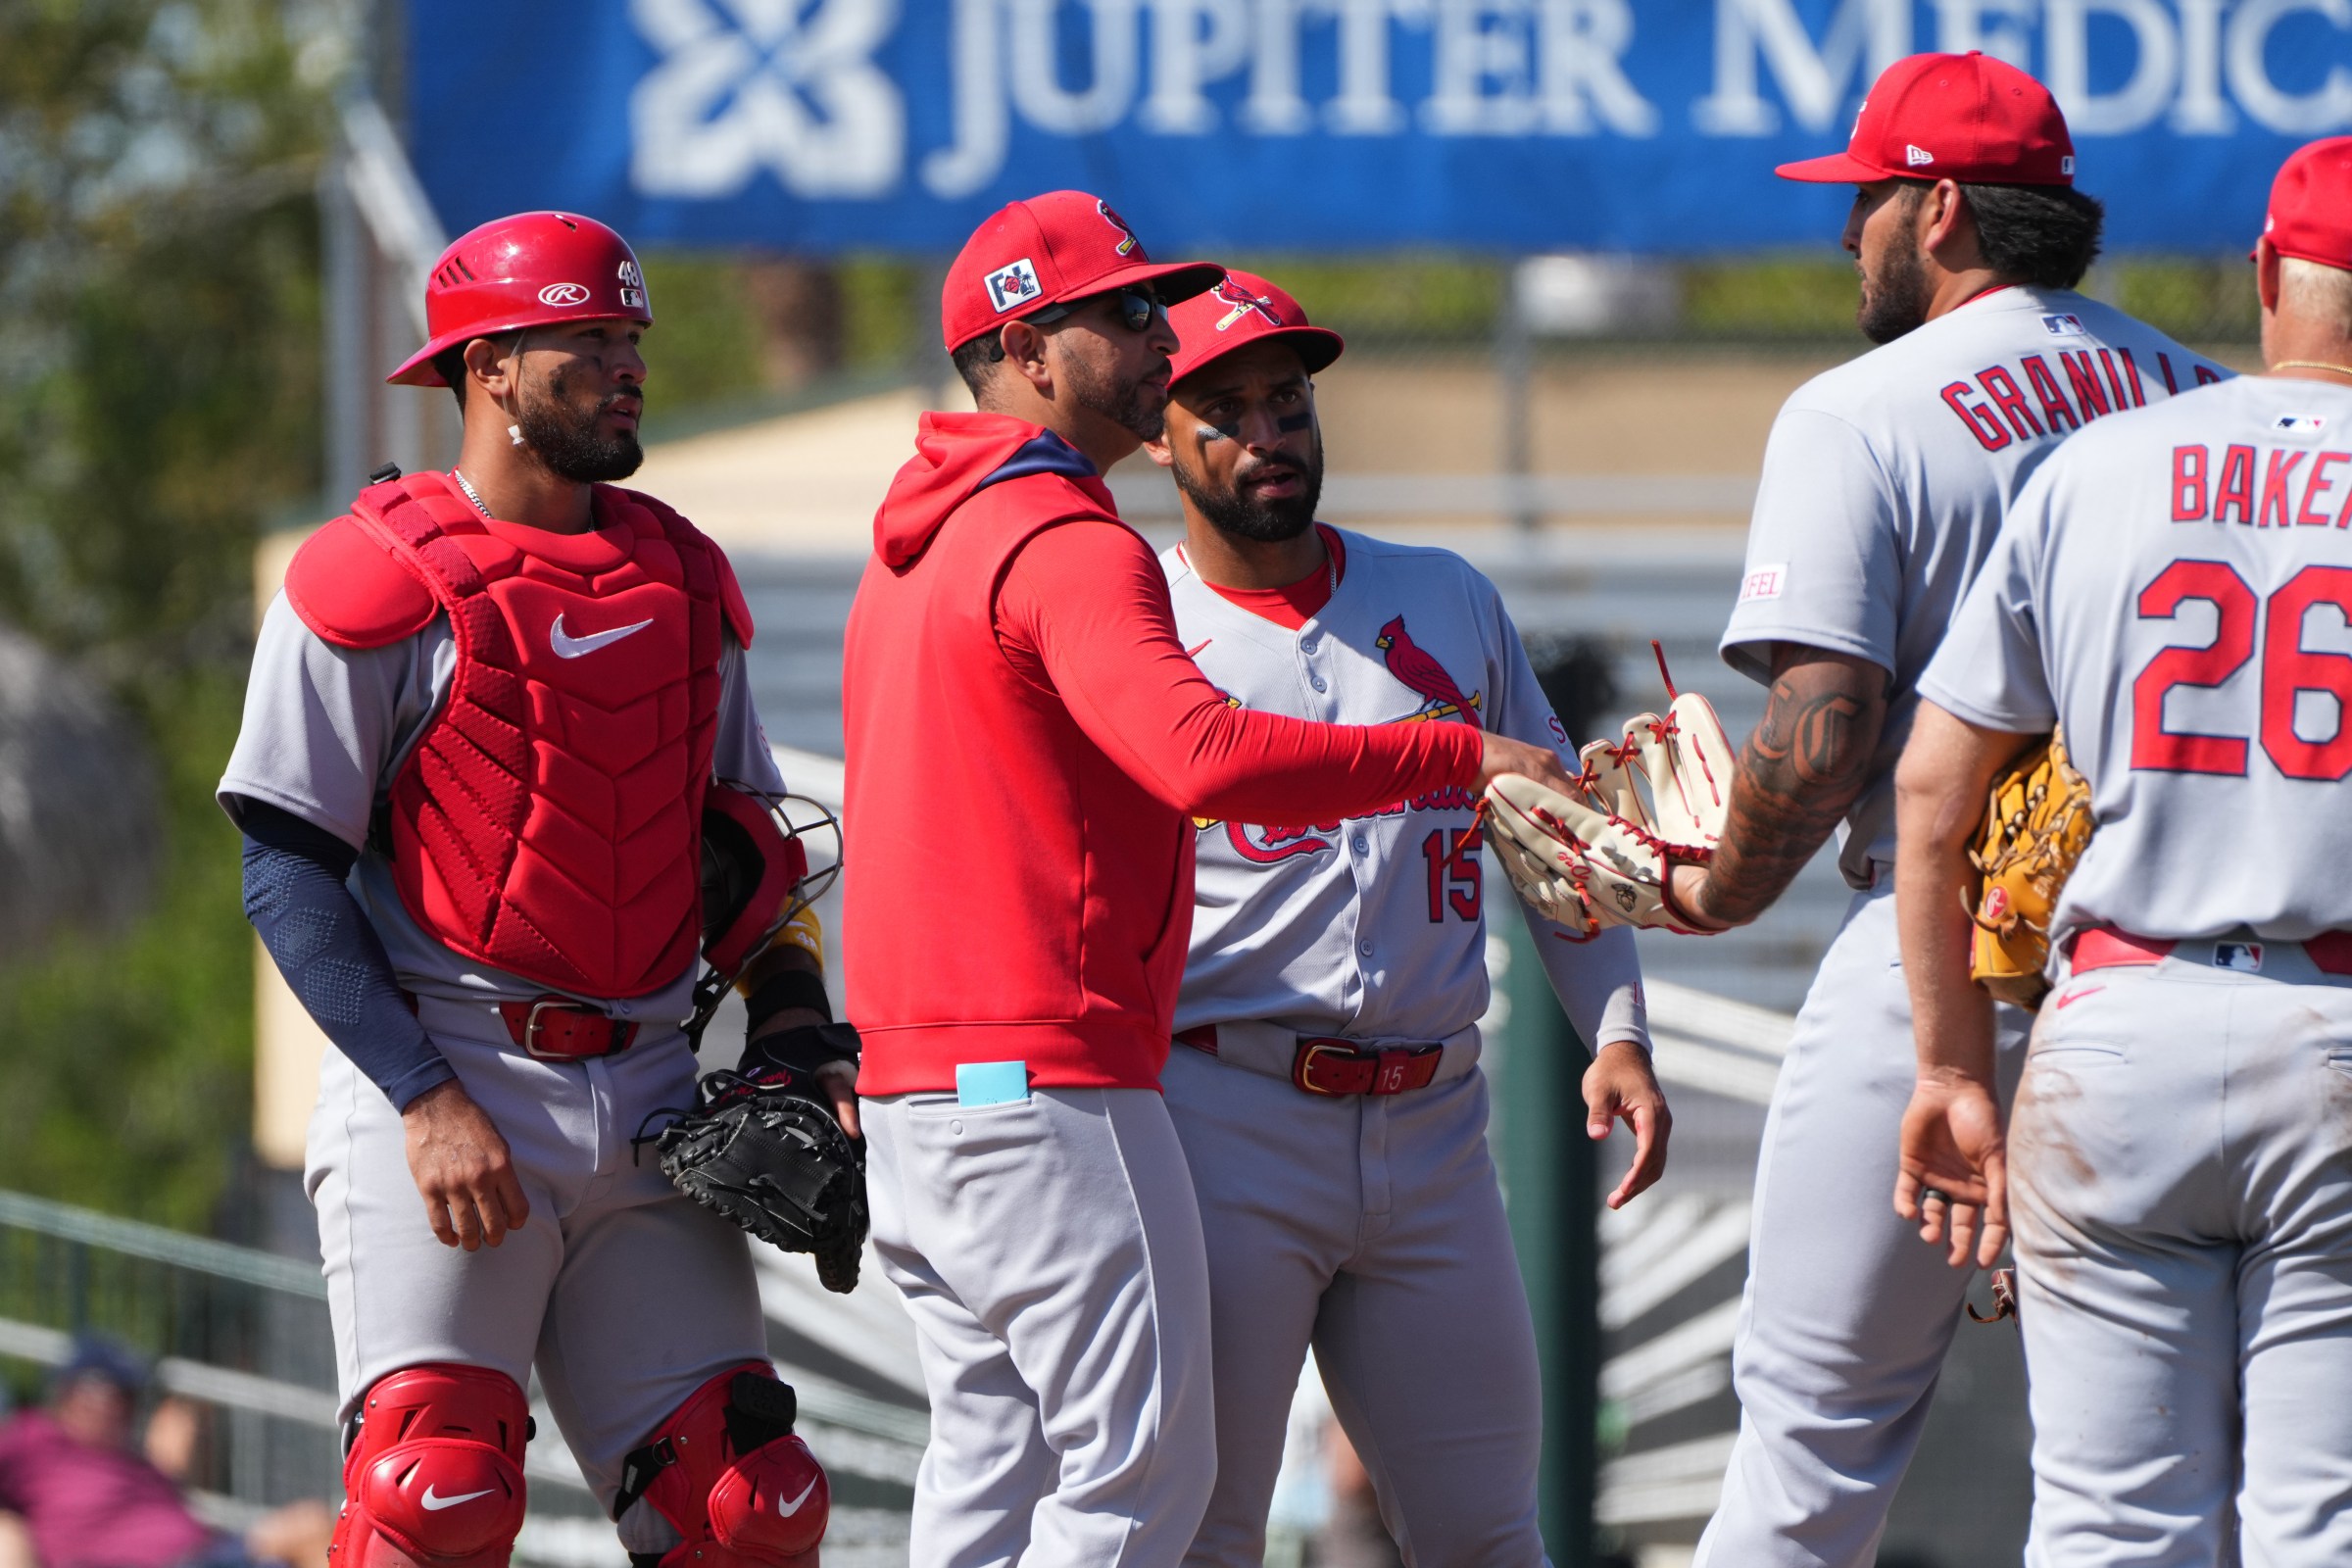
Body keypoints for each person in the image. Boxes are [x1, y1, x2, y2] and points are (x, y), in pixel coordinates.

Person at [840, 192, 1583, 1568]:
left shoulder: (921, 536)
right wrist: (1445, 751)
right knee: (1146, 1490)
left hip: (927, 1091)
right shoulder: (1063, 540)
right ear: (1028, 346)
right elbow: (1198, 754)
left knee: (991, 1492)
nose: (1148, 331)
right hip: (1054, 1081)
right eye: (1121, 312)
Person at [1634, 55, 2228, 1568]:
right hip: (2180, 967)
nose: (1851, 237)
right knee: (2166, 1475)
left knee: (1812, 1446)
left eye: (1869, 202)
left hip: (1942, 947)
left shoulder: (1862, 409)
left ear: (1942, 207)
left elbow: (1823, 729)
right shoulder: (2204, 396)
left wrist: (1713, 888)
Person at [220, 212, 840, 1568]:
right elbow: (285, 867)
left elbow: (748, 856)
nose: (627, 367)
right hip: (446, 1074)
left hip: (656, 1094)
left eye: (633, 341)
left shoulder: (682, 576)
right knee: (432, 1498)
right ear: (487, 366)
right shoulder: (368, 573)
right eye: (590, 341)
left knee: (750, 1506)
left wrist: (795, 1035)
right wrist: (422, 1099)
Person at [1139, 270, 1668, 1566]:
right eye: (1226, 408)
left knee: (1491, 1536)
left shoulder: (1442, 597)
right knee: (1208, 1531)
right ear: (1157, 436)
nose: (1268, 431)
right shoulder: (1136, 616)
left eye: (1286, 399)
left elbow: (1561, 843)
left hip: (1436, 1126)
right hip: (1227, 1115)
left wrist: (1620, 1035)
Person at [1893, 135, 2352, 1566]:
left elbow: (1931, 799)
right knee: (2322, 1525)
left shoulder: (2106, 464)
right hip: (2337, 1022)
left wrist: (1953, 1066)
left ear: (2271, 272)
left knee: (2105, 1524)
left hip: (2119, 1021)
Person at [0, 1338, 331, 1568]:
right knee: (308, 1528)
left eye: (126, 1398)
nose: (116, 1409)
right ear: (70, 1393)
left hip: (209, 1553)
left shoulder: (136, 1463)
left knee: (321, 1528)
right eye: (104, 1394)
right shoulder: (34, 1440)